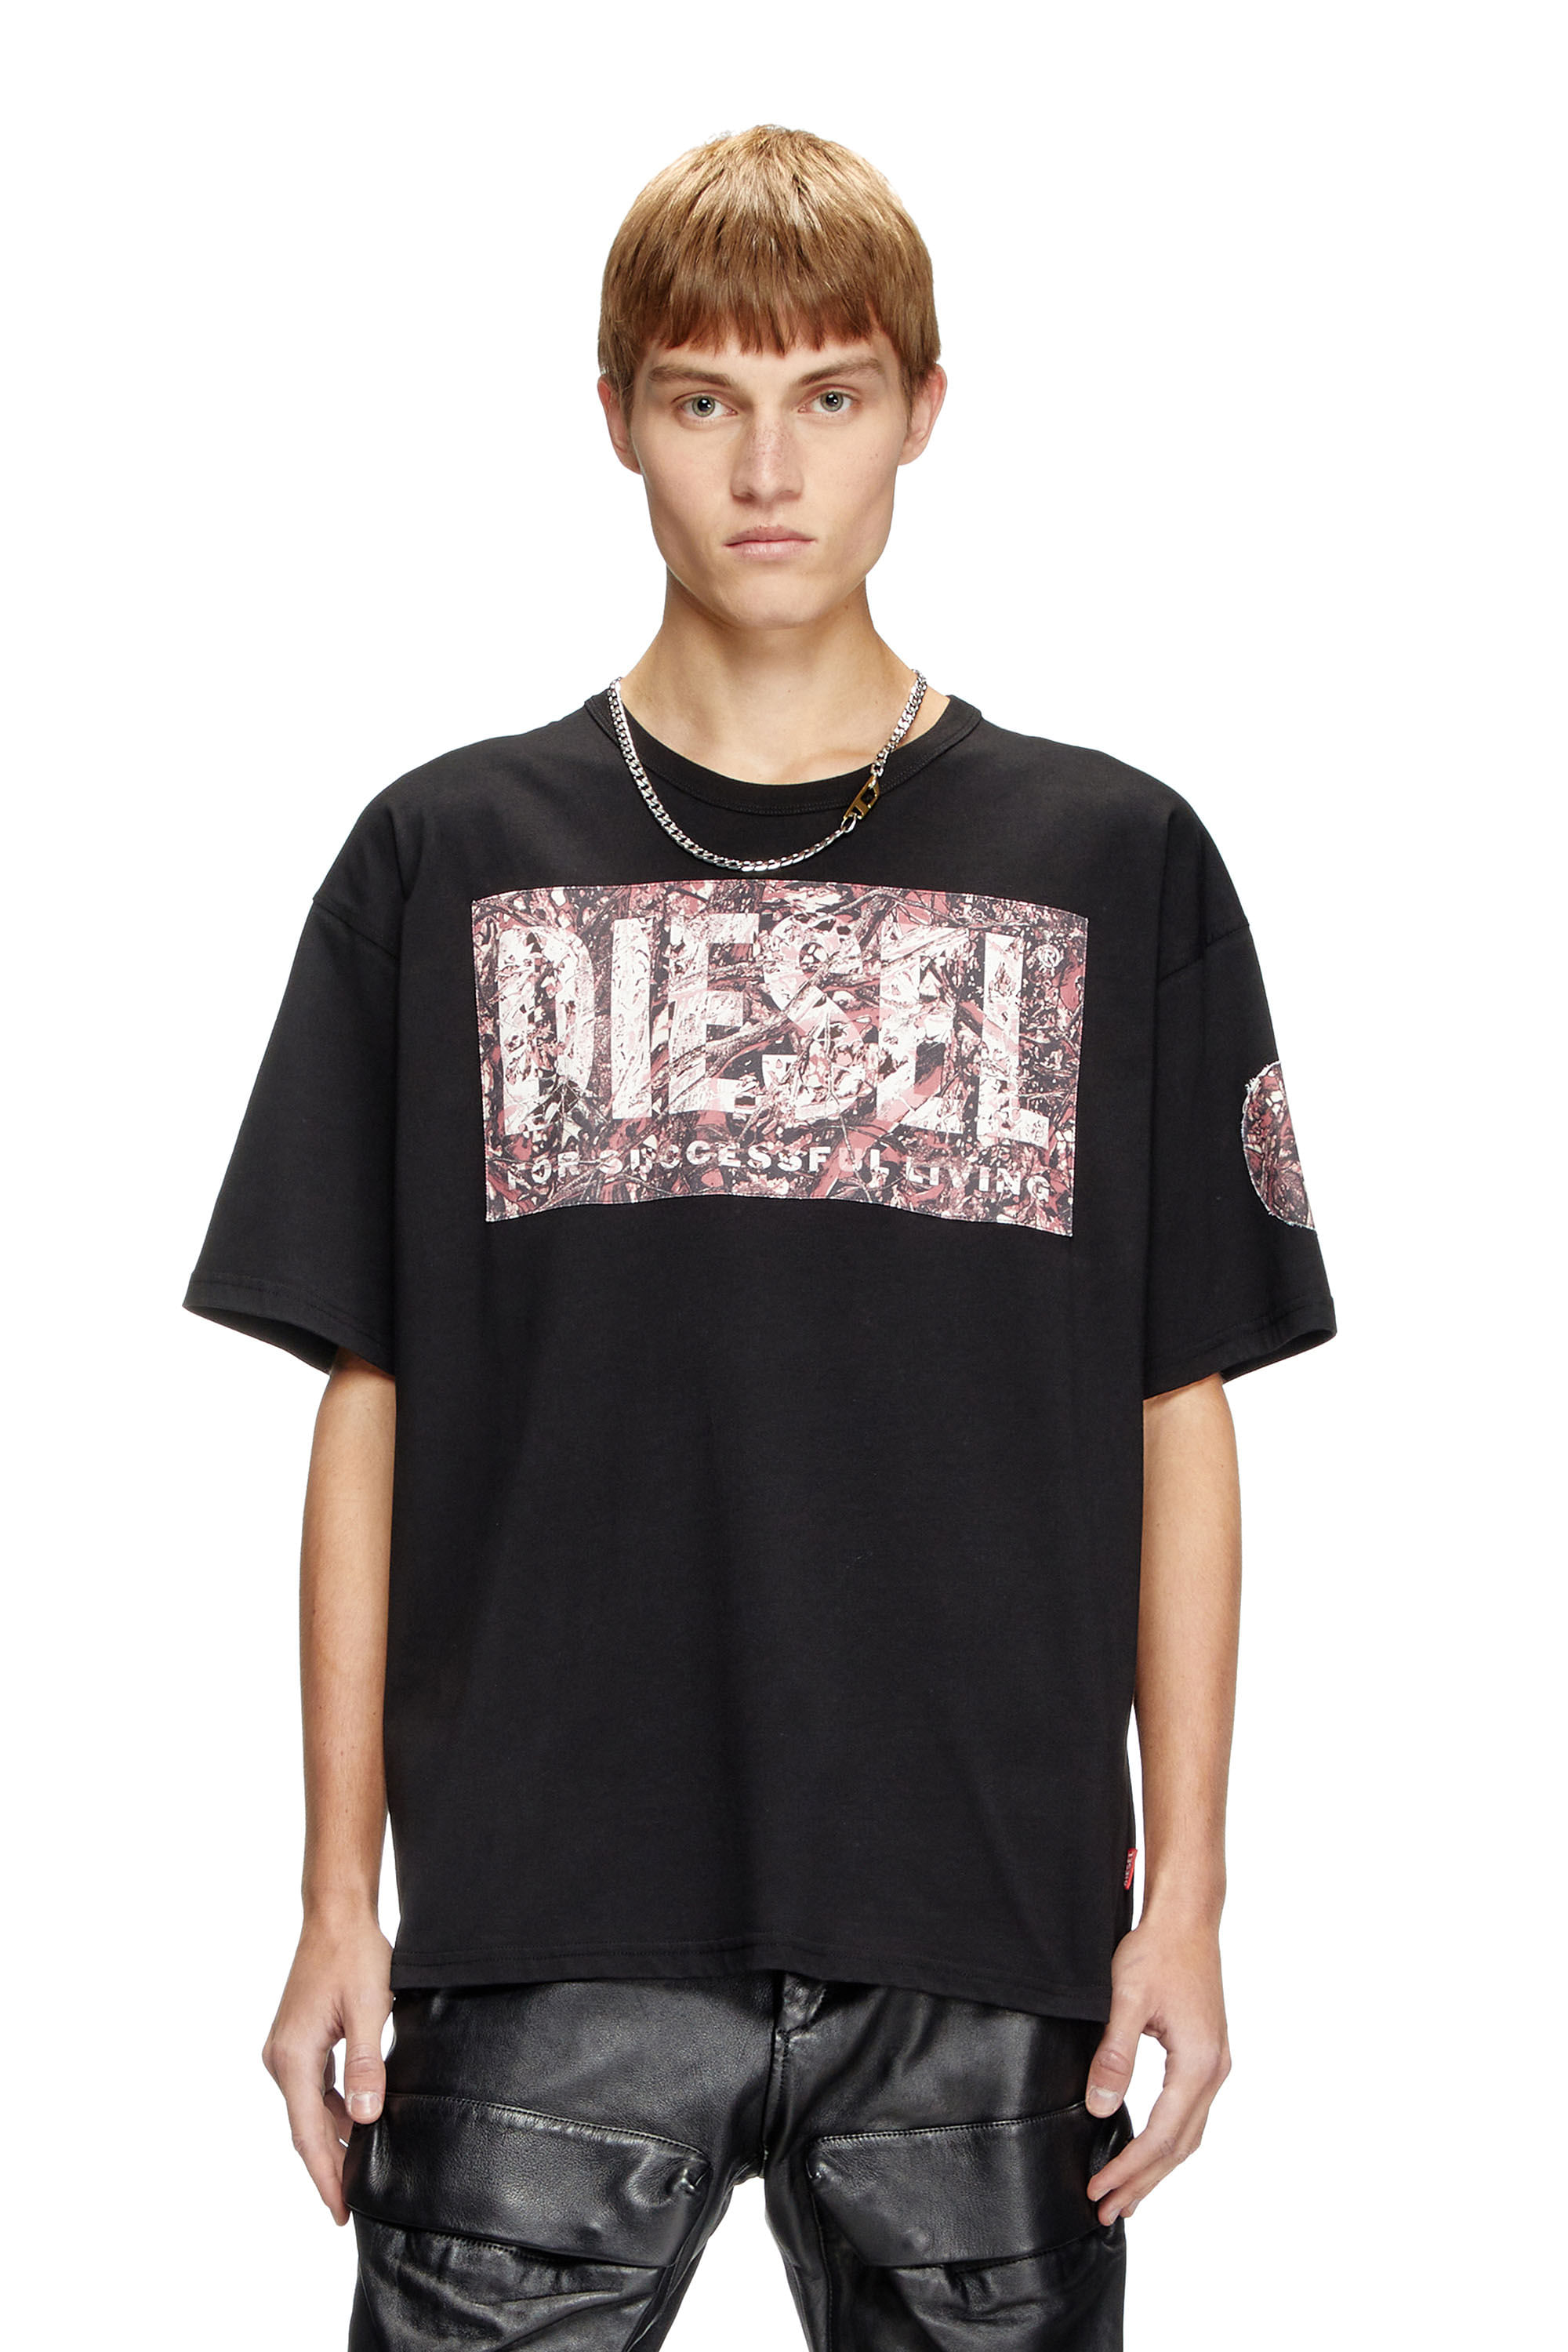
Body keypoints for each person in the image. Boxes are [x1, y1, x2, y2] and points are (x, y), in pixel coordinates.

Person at [183, 123, 1338, 2351]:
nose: (769, 468)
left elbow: (1179, 1402)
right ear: (618, 417)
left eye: (830, 394)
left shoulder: (1114, 860)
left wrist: (1189, 1894)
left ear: (924, 410)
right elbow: (366, 1396)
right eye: (706, 396)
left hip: (985, 1930)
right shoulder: (448, 857)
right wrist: (334, 1896)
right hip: (541, 1920)